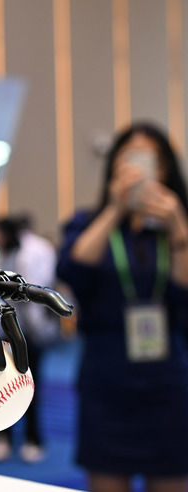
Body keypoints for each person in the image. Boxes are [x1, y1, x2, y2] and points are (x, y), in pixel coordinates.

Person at [56, 122, 188, 492]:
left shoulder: (177, 226)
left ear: (166, 169)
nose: (139, 169)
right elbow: (71, 271)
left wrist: (178, 229)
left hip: (168, 380)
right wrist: (115, 210)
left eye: (150, 160)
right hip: (106, 379)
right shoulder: (88, 222)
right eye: (130, 158)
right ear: (114, 166)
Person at [0, 216, 59, 463]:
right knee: (1, 387)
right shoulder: (1, 257)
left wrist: (40, 330)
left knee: (29, 388)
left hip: (29, 336)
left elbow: (37, 291)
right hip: (4, 334)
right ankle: (2, 437)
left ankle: (33, 439)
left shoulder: (31, 253)